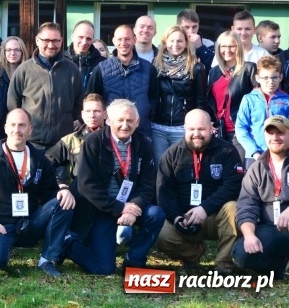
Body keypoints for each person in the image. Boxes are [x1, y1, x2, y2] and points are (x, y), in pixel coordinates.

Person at [0, 108, 74, 275]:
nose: (17, 130)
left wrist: (63, 191)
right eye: (13, 125)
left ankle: (47, 259)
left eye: (22, 125)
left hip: (30, 223)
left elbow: (49, 194)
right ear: (5, 128)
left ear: (30, 129)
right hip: (0, 225)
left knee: (64, 202)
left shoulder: (39, 159)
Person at [64, 99, 165, 275]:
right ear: (109, 120)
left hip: (130, 206)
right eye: (120, 120)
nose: (125, 125)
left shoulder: (143, 143)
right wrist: (119, 207)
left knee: (155, 214)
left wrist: (132, 207)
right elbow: (86, 185)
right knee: (104, 269)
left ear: (137, 122)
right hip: (101, 209)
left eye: (130, 121)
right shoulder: (93, 142)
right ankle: (69, 244)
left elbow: (148, 183)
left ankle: (134, 259)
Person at [155, 109, 243, 273]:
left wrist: (205, 208)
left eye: (201, 129)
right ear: (185, 129)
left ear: (211, 128)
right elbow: (164, 193)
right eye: (191, 129)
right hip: (184, 218)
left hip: (215, 216)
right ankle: (193, 255)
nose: (196, 134)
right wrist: (176, 218)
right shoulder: (171, 154)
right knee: (161, 234)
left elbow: (233, 186)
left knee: (234, 208)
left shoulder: (228, 151)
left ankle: (223, 263)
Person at [7, 22, 82, 151]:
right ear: (37, 40)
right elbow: (13, 104)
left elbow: (79, 102)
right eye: (46, 40)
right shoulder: (24, 70)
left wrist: (77, 121)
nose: (51, 45)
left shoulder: (72, 70)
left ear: (61, 41)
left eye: (55, 41)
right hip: (31, 142)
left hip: (63, 143)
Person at [232, 115, 289, 278]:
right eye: (271, 133)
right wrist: (249, 235)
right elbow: (246, 206)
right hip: (272, 227)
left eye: (281, 133)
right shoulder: (256, 169)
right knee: (242, 254)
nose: (275, 137)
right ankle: (282, 266)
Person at [86, 24, 159, 139]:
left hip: (141, 131)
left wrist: (147, 112)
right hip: (110, 132)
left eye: (127, 39)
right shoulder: (101, 69)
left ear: (134, 40)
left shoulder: (148, 68)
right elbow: (92, 97)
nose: (123, 43)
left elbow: (155, 96)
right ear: (114, 41)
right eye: (119, 39)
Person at [151, 25, 210, 163]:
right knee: (161, 166)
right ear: (165, 43)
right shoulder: (155, 66)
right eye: (171, 41)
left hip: (182, 127)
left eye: (179, 41)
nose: (175, 45)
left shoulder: (196, 67)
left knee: (182, 167)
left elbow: (200, 100)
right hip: (158, 127)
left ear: (186, 43)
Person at [235, 55, 289, 168]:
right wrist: (253, 151)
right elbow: (240, 128)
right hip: (255, 155)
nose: (270, 82)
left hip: (281, 153)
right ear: (257, 78)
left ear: (281, 77)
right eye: (265, 78)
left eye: (274, 77)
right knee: (254, 183)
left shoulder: (286, 100)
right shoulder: (248, 99)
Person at [207, 31, 256, 156]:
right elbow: (208, 101)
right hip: (219, 131)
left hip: (241, 131)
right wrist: (209, 121)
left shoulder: (249, 69)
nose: (227, 50)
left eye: (231, 46)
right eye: (223, 46)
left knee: (241, 172)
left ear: (238, 47)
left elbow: (257, 100)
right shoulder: (214, 72)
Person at [46, 94, 108, 187]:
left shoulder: (114, 138)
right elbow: (46, 161)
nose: (92, 115)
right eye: (88, 111)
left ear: (105, 114)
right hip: (79, 194)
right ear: (82, 114)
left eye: (97, 111)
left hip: (109, 193)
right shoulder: (71, 140)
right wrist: (59, 183)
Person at [65, 20, 106, 90]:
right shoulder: (60, 61)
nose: (84, 42)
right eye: (81, 37)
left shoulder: (103, 64)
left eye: (88, 39)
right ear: (72, 36)